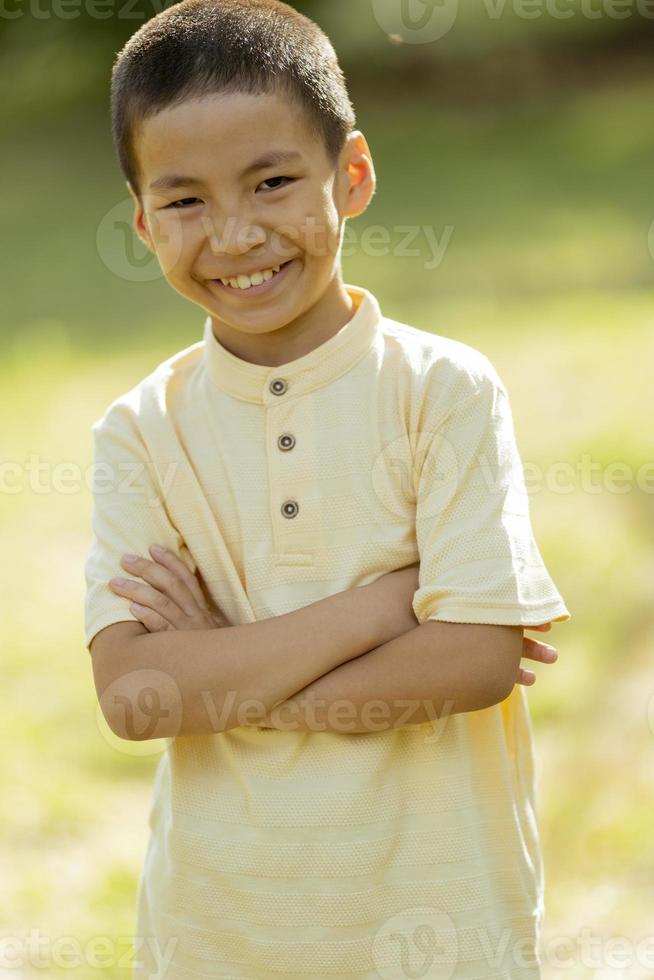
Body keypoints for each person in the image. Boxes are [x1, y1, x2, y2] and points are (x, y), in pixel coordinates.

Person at [83, 1, 571, 976]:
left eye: (271, 182)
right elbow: (137, 697)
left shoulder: (442, 390)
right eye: (184, 200)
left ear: (350, 176)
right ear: (140, 220)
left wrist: (218, 671)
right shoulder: (141, 429)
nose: (234, 233)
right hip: (219, 930)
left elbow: (474, 661)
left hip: (441, 924)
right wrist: (388, 607)